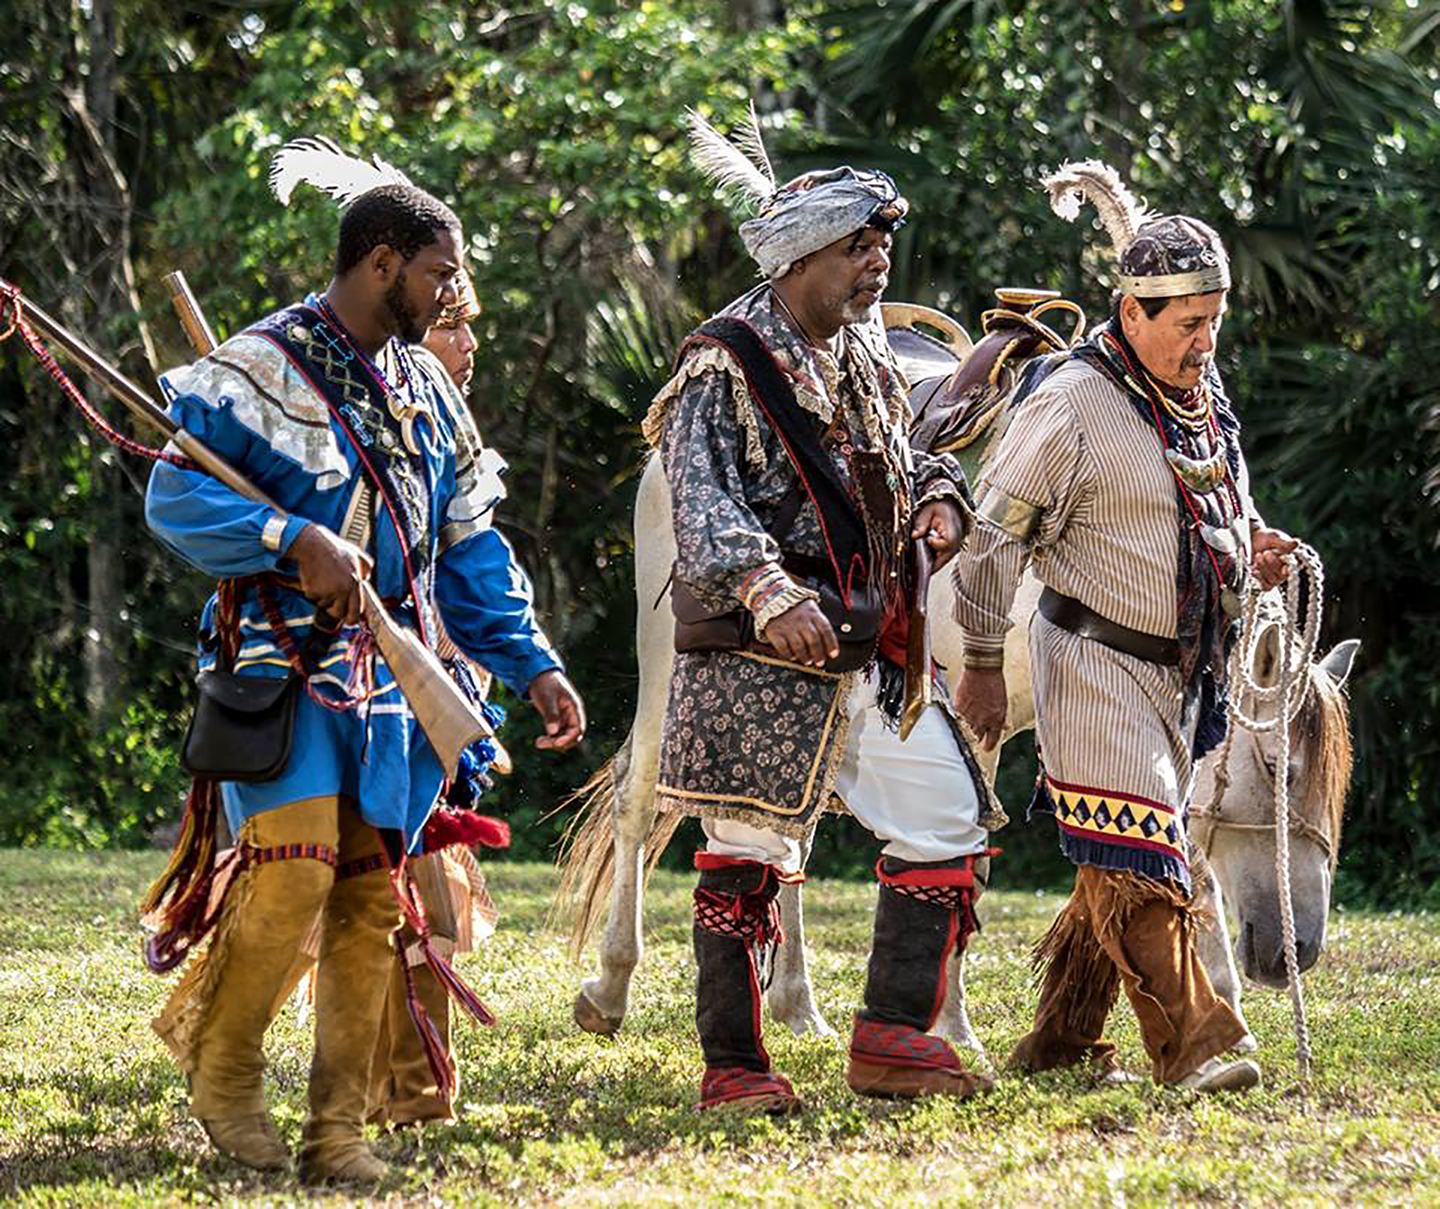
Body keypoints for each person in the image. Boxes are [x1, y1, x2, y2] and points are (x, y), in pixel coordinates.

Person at [143, 165, 585, 1183]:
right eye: (439, 272)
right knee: (291, 872)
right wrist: (286, 534)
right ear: (382, 263)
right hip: (280, 665)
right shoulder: (262, 363)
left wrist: (532, 662)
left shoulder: (426, 384)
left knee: (368, 902)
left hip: (398, 681)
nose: (449, 292)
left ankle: (334, 1132)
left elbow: (469, 547)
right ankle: (226, 1071)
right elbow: (174, 500)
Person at [644, 110, 998, 1115]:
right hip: (757, 661)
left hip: (866, 648)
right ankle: (737, 1071)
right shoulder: (724, 360)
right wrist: (768, 595)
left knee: (948, 815)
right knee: (747, 858)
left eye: (883, 243)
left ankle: (890, 1039)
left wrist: (938, 498)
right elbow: (701, 502)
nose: (878, 261)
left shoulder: (863, 353)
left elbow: (913, 447)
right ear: (799, 258)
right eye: (858, 246)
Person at [951, 160, 1297, 1092]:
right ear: (1131, 311)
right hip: (1093, 659)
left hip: (1185, 668)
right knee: (1142, 851)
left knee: (1117, 850)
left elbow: (1215, 499)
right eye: (1188, 324)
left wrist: (1251, 545)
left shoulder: (1200, 392)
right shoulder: (1069, 403)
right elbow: (990, 545)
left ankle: (1060, 1039)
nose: (1204, 343)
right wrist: (983, 660)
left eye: (1214, 323)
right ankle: (1196, 1042)